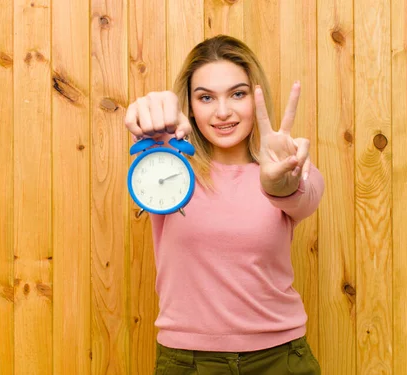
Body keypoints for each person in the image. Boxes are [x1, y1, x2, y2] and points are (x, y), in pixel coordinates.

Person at [124, 35, 324, 375]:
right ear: (189, 105)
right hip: (188, 362)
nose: (222, 112)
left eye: (238, 94)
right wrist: (149, 111)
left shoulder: (290, 166)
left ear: (255, 97)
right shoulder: (166, 164)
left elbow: (304, 198)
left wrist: (281, 185)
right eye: (205, 97)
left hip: (279, 359)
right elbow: (147, 121)